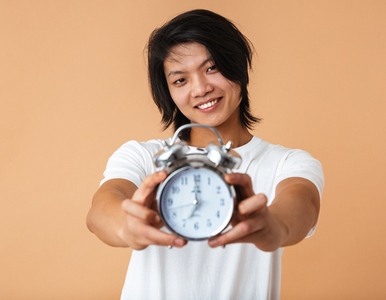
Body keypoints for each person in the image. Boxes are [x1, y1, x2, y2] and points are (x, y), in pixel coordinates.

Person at [87, 9, 324, 300]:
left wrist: (275, 227)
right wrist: (126, 227)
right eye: (180, 80)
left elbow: (301, 204)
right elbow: (101, 209)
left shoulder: (288, 163)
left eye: (211, 68)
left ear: (238, 66)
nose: (201, 89)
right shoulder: (143, 156)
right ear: (168, 93)